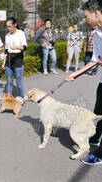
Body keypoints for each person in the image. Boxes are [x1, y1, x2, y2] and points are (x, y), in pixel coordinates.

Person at [66, 0, 102, 165]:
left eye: (86, 16)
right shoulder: (96, 34)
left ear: (95, 11)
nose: (85, 20)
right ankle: (94, 137)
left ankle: (100, 154)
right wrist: (76, 73)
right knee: (98, 109)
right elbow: (95, 59)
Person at [2, 17, 27, 98]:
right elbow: (6, 50)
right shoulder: (7, 35)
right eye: (7, 27)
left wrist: (16, 47)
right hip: (9, 61)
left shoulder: (21, 33)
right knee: (9, 82)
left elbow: (25, 47)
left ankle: (21, 99)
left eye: (10, 26)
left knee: (19, 83)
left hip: (18, 60)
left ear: (15, 25)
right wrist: (3, 62)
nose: (8, 28)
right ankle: (8, 100)